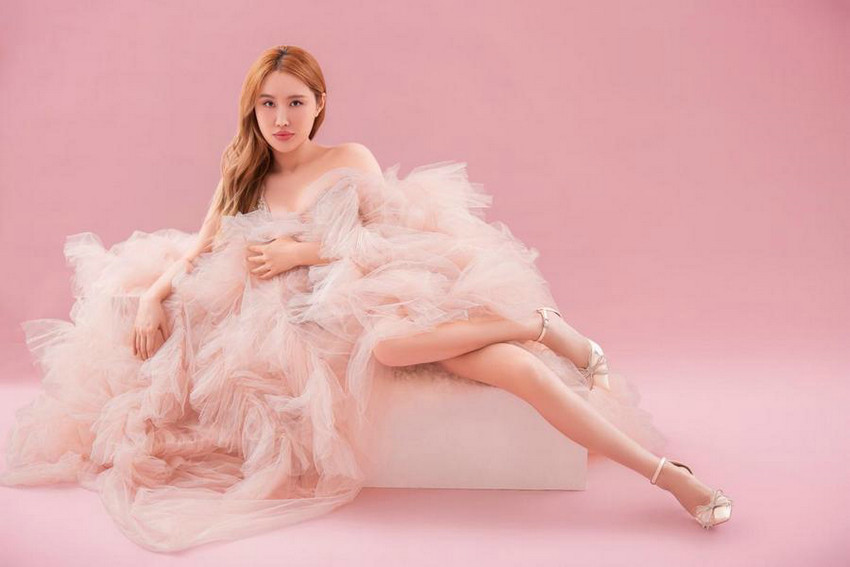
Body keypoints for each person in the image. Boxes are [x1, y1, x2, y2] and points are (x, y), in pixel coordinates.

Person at [0, 45, 732, 552]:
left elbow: (391, 231)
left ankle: (585, 384)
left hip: (378, 286)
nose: (281, 118)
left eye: (296, 102)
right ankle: (575, 367)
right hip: (311, 320)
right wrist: (154, 295)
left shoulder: (349, 159)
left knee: (439, 353)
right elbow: (198, 246)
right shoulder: (244, 175)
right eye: (267, 104)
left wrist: (303, 251)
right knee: (479, 362)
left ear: (320, 105)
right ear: (252, 110)